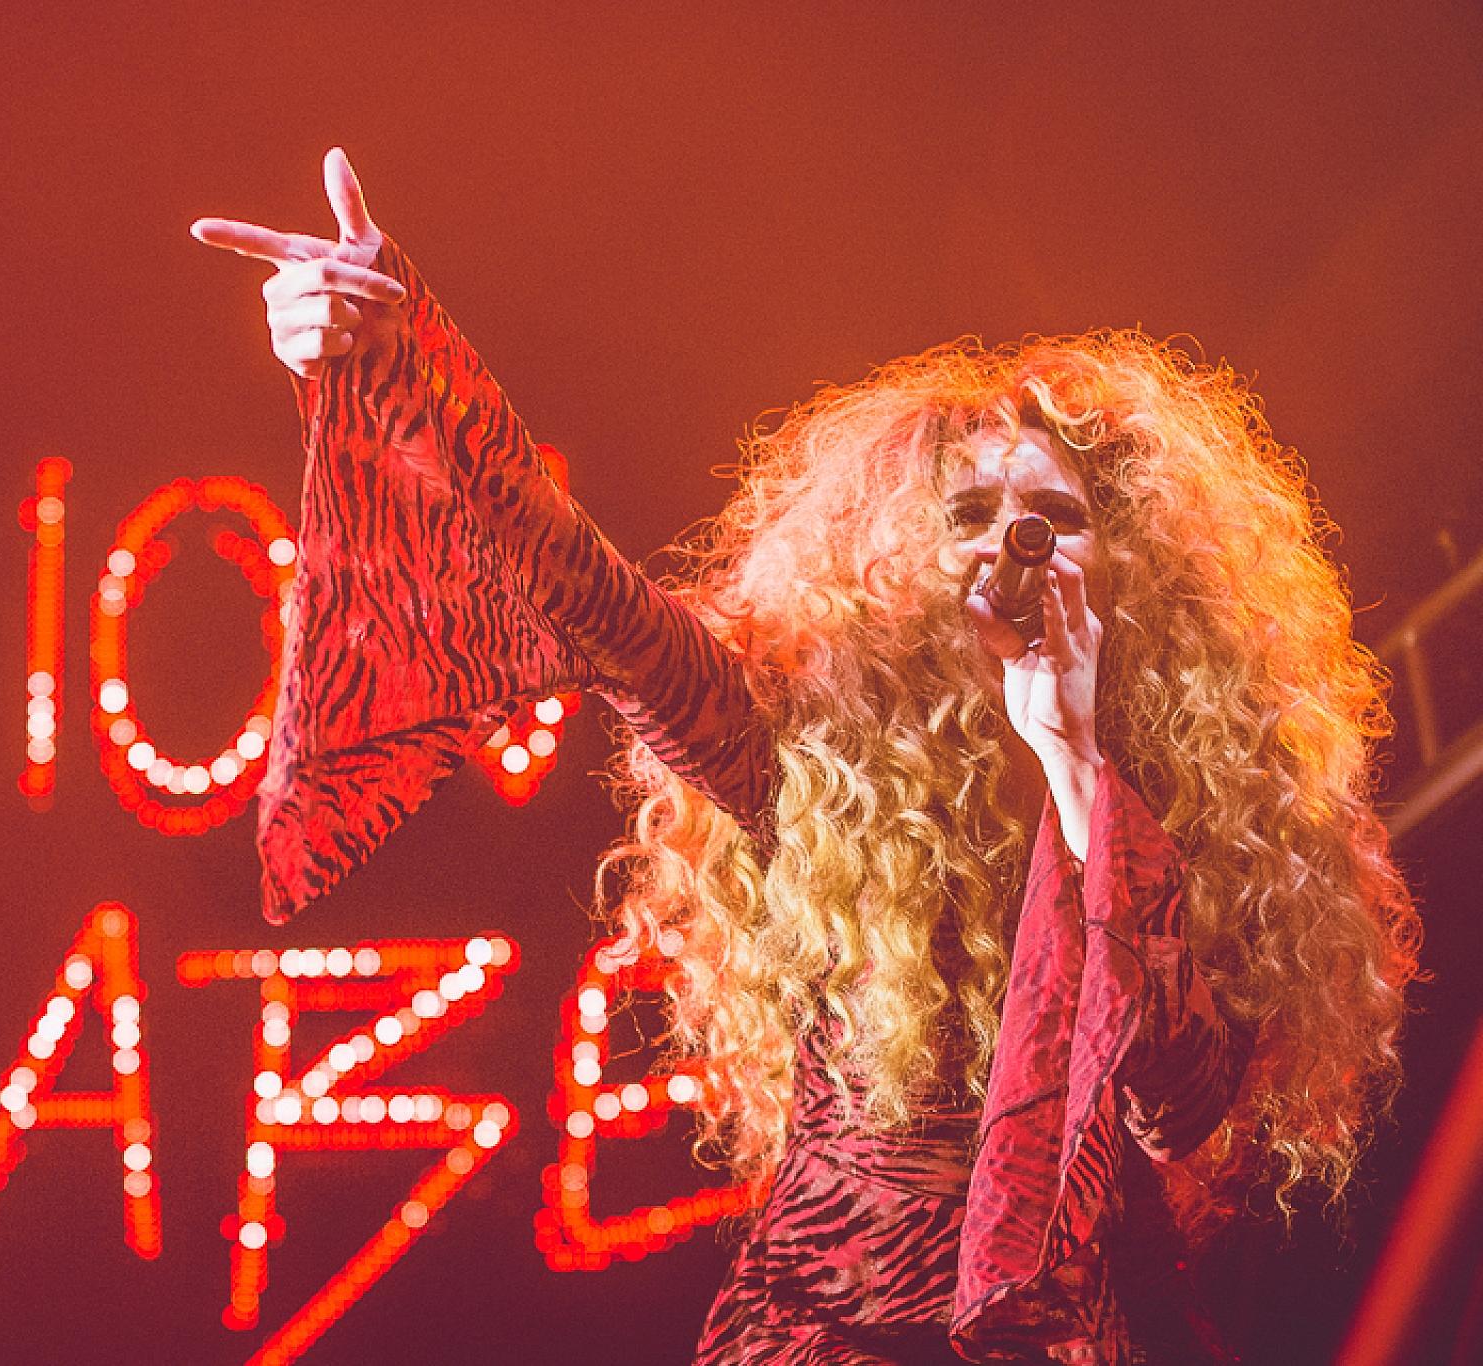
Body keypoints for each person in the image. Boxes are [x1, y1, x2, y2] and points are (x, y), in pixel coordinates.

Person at [194, 150, 1420, 1364]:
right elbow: (590, 599)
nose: (1010, 542)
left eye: (1053, 516)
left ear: (1128, 569)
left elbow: (1179, 1108)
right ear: (890, 566)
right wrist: (396, 360)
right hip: (825, 1334)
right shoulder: (797, 744)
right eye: (964, 515)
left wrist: (1075, 759)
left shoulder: (1181, 806)